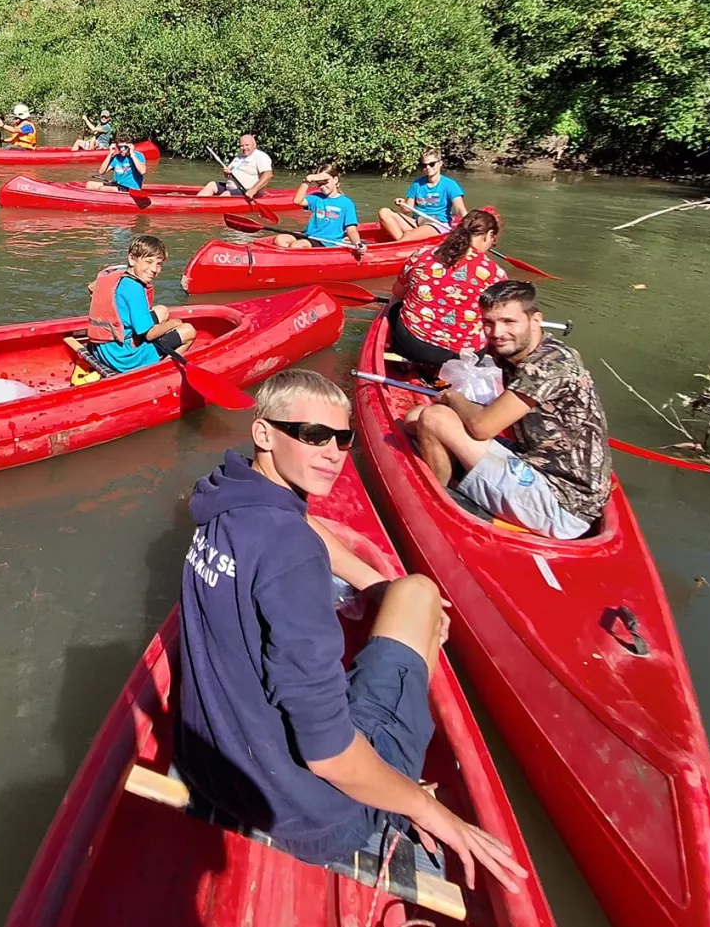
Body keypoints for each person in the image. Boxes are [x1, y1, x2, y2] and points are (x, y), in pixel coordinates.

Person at [176, 369, 527, 892]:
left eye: (344, 439)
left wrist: (370, 582)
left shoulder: (221, 499)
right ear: (264, 433)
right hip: (318, 816)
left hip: (208, 768)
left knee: (397, 590)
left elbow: (299, 524)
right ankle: (401, 761)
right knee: (421, 594)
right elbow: (330, 755)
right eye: (313, 436)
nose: (333, 453)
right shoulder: (291, 558)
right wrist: (431, 813)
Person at [403, 280, 612, 539]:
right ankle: (455, 480)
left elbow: (482, 427)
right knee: (415, 418)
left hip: (563, 504)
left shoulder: (552, 363)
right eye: (489, 323)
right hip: (535, 461)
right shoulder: (514, 353)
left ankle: (434, 505)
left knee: (435, 418)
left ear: (535, 320)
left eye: (509, 322)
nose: (497, 332)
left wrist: (454, 398)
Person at [386, 210, 506, 369]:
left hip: (414, 346)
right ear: (488, 235)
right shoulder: (496, 274)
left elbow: (397, 293)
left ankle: (398, 353)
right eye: (493, 239)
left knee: (395, 305)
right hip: (467, 355)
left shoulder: (422, 254)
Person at [85, 234, 198, 373]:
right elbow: (149, 335)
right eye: (149, 262)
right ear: (132, 259)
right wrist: (174, 323)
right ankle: (162, 370)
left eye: (159, 264)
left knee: (162, 310)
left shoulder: (118, 275)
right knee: (188, 330)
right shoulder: (134, 290)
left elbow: (91, 287)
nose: (154, 269)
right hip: (123, 359)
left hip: (100, 349)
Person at [376, 149, 466, 242]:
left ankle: (402, 242)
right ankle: (402, 242)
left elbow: (460, 211)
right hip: (417, 222)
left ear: (440, 163)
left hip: (438, 224)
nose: (428, 167)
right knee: (384, 212)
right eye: (424, 165)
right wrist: (402, 204)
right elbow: (406, 210)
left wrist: (469, 229)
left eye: (431, 164)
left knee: (409, 235)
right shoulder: (417, 184)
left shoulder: (450, 185)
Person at [274, 162, 362, 249]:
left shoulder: (346, 203)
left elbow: (351, 229)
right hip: (309, 236)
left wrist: (357, 244)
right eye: (319, 184)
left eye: (325, 182)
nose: (322, 187)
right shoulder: (316, 197)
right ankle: (294, 256)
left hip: (327, 241)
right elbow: (297, 201)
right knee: (280, 239)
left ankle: (298, 255)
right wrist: (308, 179)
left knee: (296, 246)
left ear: (335, 180)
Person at [197, 133, 273, 198]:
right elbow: (228, 174)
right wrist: (226, 173)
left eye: (247, 145)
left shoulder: (260, 156)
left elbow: (268, 175)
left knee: (227, 194)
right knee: (212, 185)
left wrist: (253, 190)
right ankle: (196, 202)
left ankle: (211, 208)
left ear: (254, 145)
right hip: (232, 188)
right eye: (242, 146)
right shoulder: (239, 156)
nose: (244, 148)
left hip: (247, 191)